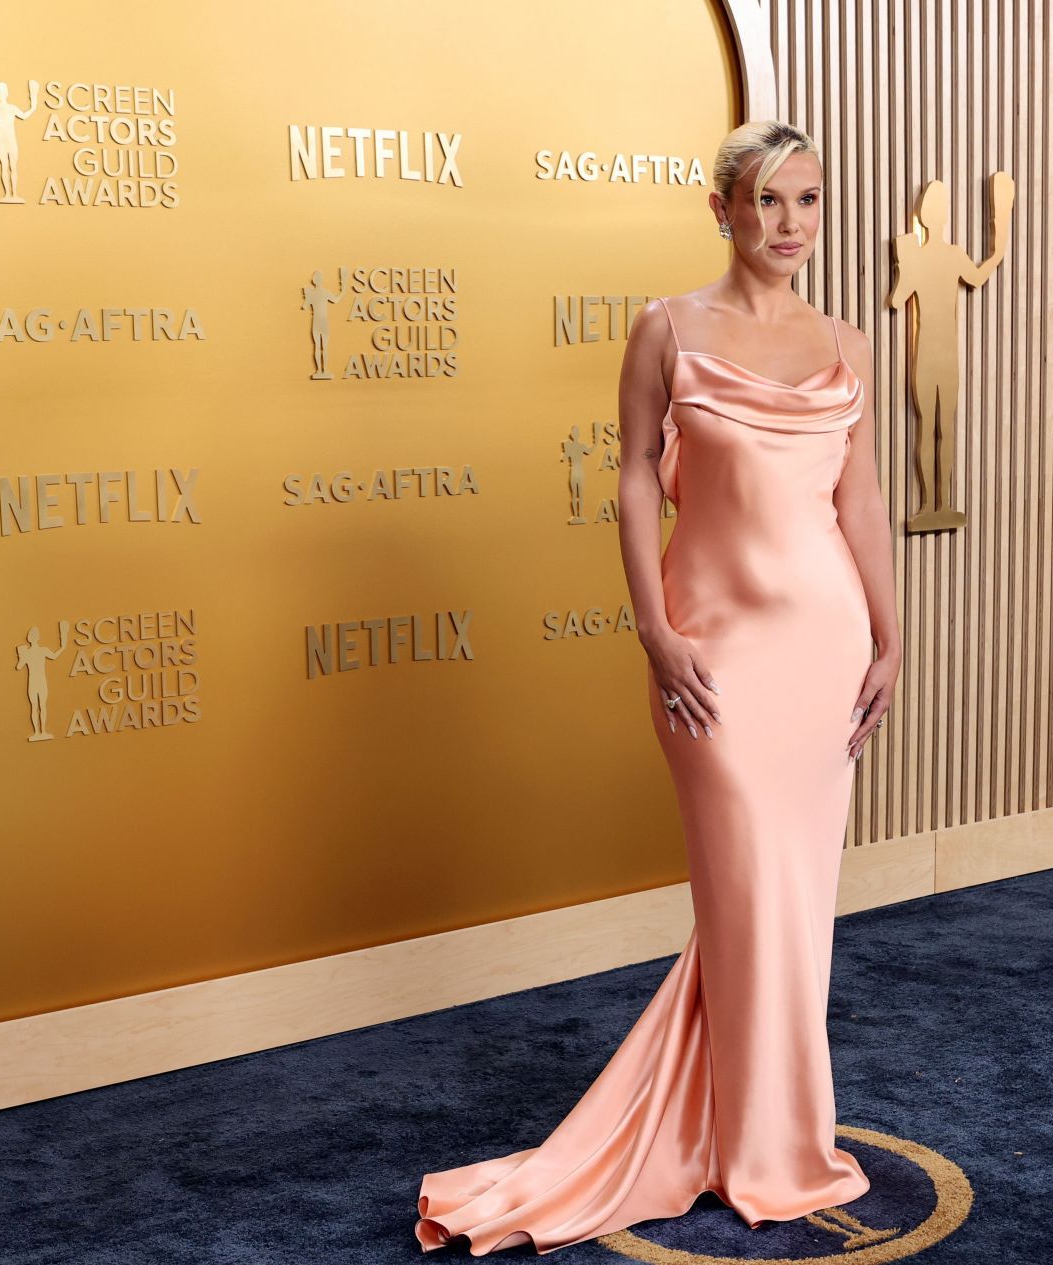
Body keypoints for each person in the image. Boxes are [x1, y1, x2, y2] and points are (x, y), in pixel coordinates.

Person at [414, 120, 902, 1256]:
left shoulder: (849, 343)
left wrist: (891, 637)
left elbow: (860, 504)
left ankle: (766, 1129)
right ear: (724, 209)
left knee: (795, 906)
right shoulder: (668, 329)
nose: (791, 225)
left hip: (825, 650)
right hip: (715, 654)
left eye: (809, 201)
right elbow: (633, 481)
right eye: (769, 201)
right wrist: (653, 627)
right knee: (746, 897)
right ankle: (765, 1147)